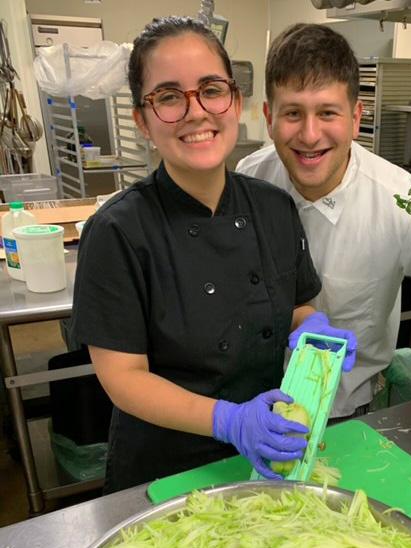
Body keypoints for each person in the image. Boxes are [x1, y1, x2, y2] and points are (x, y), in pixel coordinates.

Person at [70, 16, 356, 493]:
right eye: (168, 97)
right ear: (142, 120)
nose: (196, 111)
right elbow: (123, 379)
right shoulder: (117, 231)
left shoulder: (274, 207)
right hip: (165, 470)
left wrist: (310, 328)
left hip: (270, 454)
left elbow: (291, 304)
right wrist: (230, 420)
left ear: (235, 102)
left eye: (211, 90)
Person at [237, 23, 411, 420]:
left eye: (327, 112)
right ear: (270, 117)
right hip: (250, 406)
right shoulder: (249, 178)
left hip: (345, 415)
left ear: (355, 118)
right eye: (293, 113)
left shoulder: (403, 201)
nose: (310, 134)